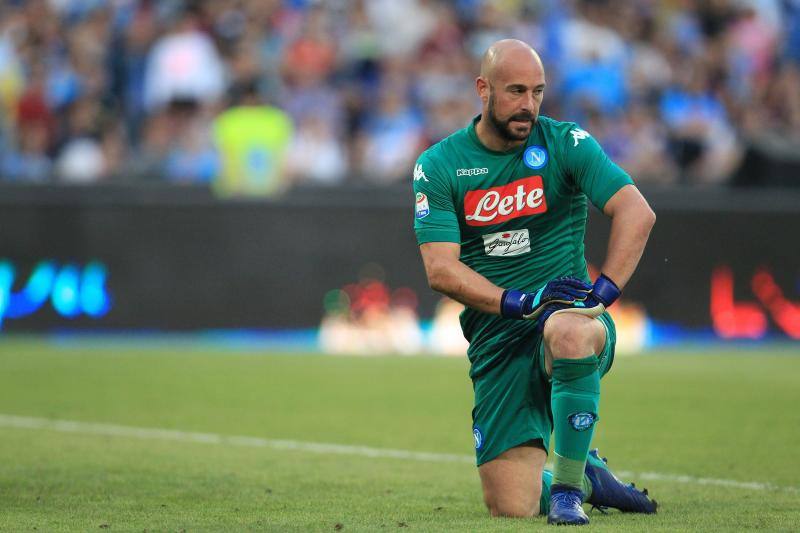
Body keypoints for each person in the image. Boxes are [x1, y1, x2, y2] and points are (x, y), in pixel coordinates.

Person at [412, 39, 658, 526]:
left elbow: (637, 212)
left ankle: (567, 493)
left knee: (568, 330)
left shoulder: (565, 143)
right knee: (510, 506)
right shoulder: (438, 165)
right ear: (483, 90)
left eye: (538, 92)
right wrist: (520, 301)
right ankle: (587, 476)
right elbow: (440, 269)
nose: (528, 105)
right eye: (516, 91)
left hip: (568, 319)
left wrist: (601, 295)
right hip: (497, 337)